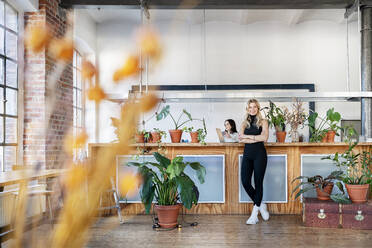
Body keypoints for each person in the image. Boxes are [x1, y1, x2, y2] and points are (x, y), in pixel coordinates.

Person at [239, 99, 269, 225]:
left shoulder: (263, 122)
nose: (252, 109)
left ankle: (254, 214)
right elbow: (240, 138)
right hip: (247, 155)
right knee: (245, 182)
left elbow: (265, 137)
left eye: (255, 107)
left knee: (258, 183)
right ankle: (261, 204)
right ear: (247, 109)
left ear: (258, 108)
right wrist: (255, 138)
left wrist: (249, 137)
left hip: (259, 155)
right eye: (250, 107)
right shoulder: (244, 123)